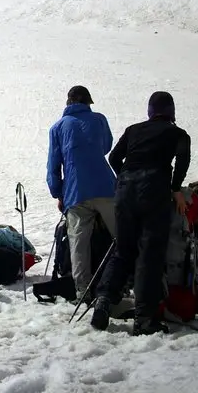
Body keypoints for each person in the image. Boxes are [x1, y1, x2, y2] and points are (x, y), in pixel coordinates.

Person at [91, 91, 191, 335]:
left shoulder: (133, 130)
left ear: (149, 111)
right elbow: (183, 159)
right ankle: (144, 319)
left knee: (123, 250)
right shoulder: (177, 133)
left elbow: (113, 157)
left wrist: (125, 178)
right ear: (171, 112)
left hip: (125, 192)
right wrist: (175, 187)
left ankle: (103, 302)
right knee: (149, 254)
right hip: (154, 191)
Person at [47, 85, 117, 299]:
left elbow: (53, 165)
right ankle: (127, 281)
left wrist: (58, 194)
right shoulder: (99, 119)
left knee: (78, 242)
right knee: (123, 237)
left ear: (68, 103)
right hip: (106, 187)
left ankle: (83, 290)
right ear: (88, 102)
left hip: (76, 192)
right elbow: (106, 146)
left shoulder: (58, 127)